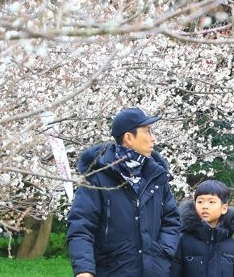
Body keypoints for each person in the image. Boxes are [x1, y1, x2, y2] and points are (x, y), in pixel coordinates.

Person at [67, 108, 181, 277]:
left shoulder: (156, 177)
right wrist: (84, 270)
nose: (153, 138)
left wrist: (162, 252)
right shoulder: (98, 179)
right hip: (112, 270)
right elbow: (81, 226)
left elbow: (171, 220)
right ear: (129, 137)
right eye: (148, 132)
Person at [171, 180, 234, 277]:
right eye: (200, 201)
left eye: (211, 202)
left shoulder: (233, 245)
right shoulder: (182, 240)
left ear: (224, 208)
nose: (205, 206)